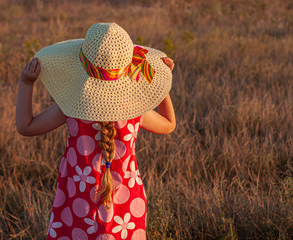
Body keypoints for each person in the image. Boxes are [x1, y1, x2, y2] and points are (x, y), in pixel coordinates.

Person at [16, 23, 176, 240]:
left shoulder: (74, 104)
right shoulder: (135, 106)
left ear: (82, 66)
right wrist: (158, 87)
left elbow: (26, 127)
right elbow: (168, 124)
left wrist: (26, 83)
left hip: (78, 197)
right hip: (126, 200)